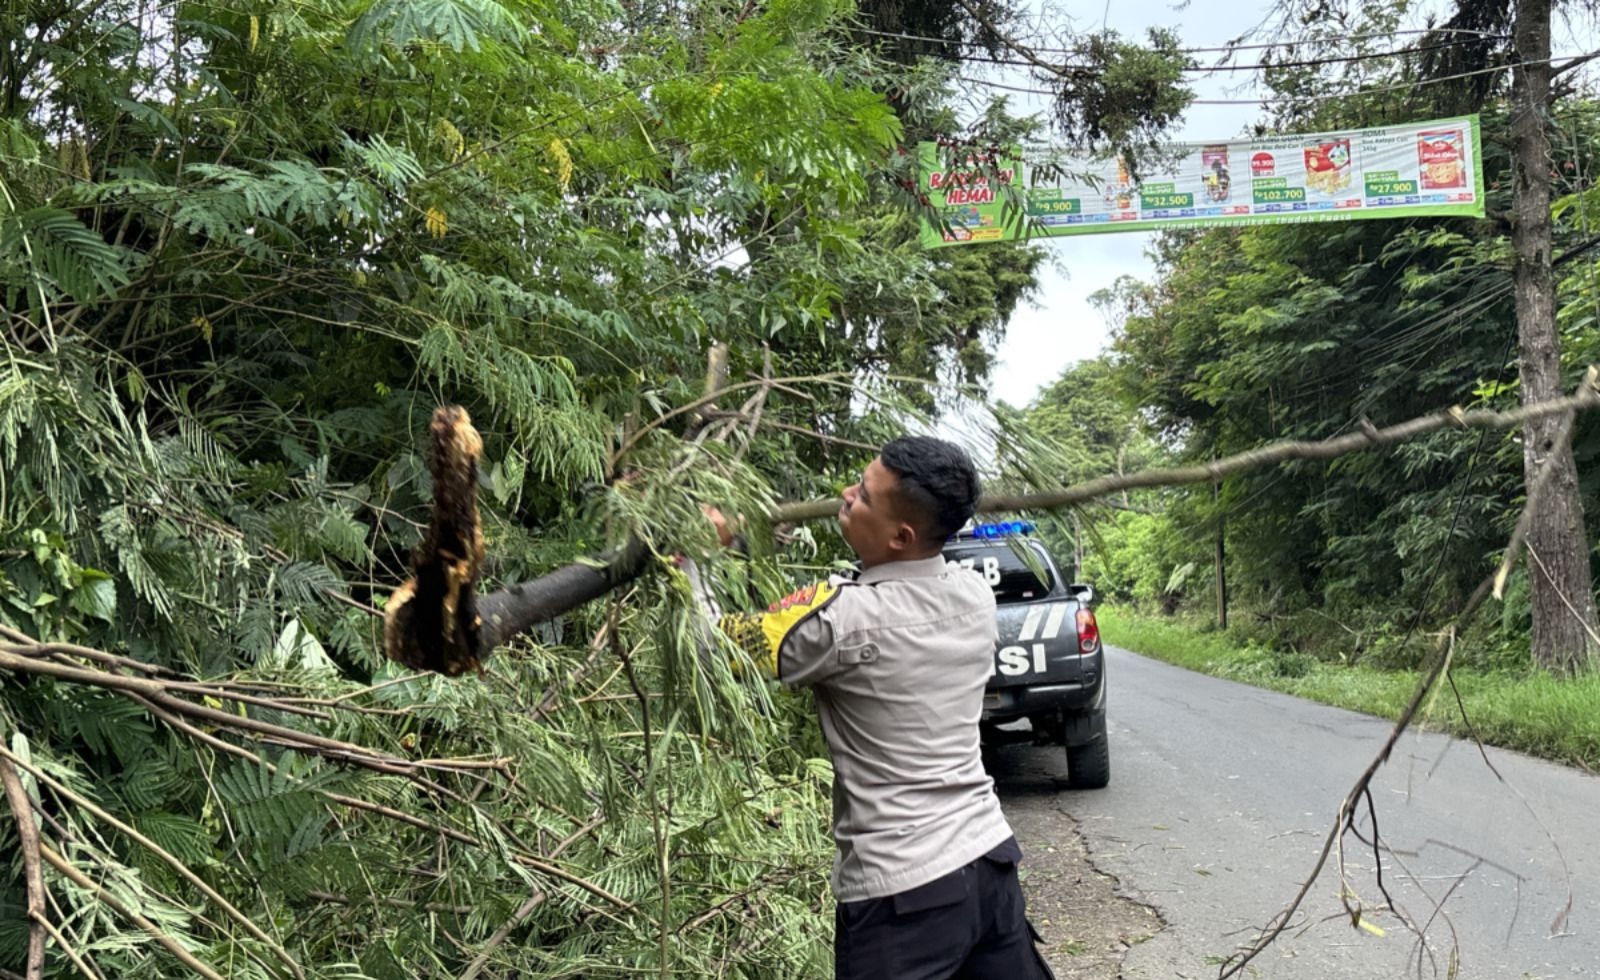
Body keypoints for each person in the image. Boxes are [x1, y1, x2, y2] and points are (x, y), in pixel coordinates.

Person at [688, 436, 1056, 980]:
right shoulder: (973, 595)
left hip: (903, 896)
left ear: (901, 535)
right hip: (988, 865)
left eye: (861, 494)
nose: (845, 493)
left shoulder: (844, 621)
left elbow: (711, 650)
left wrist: (692, 556)